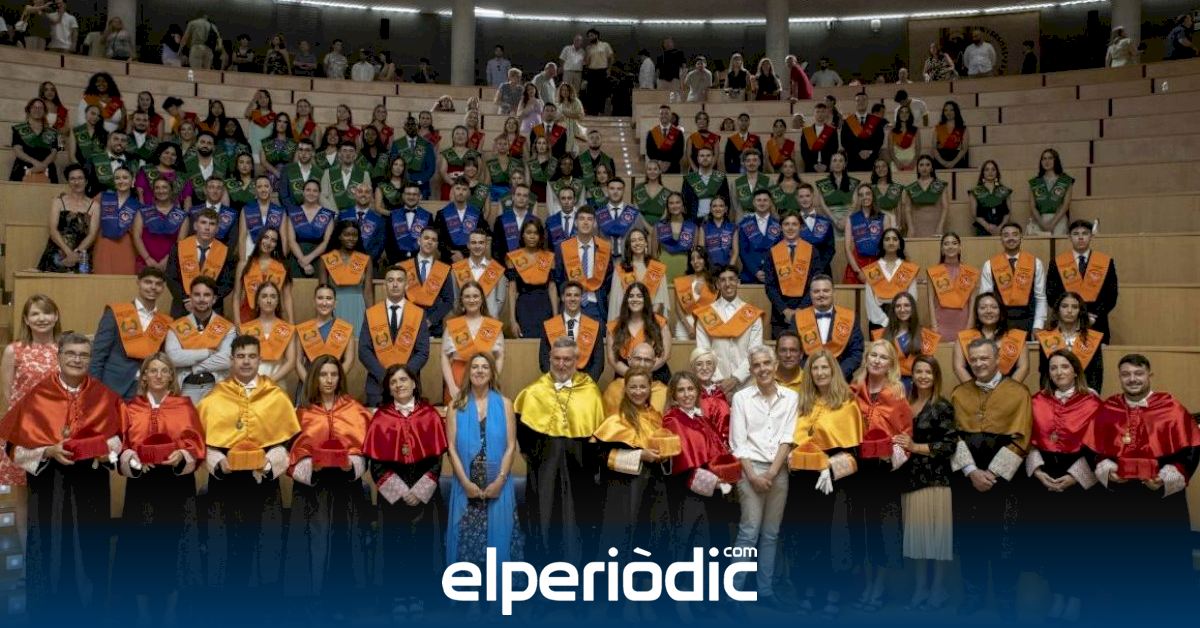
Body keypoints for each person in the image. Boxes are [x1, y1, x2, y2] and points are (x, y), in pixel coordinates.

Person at [0, 332, 121, 619]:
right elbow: (14, 449)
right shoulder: (38, 396)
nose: (77, 359)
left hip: (91, 486)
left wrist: (107, 453)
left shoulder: (104, 396)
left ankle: (91, 616)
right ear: (59, 357)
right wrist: (48, 450)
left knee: (91, 551)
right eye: (71, 354)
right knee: (50, 554)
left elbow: (119, 440)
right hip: (49, 487)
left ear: (90, 359)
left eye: (83, 355)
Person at [1083, 354, 1200, 612]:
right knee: (1122, 564)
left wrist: (1167, 478)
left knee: (1164, 564)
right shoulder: (1108, 408)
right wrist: (1107, 471)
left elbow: (1191, 449)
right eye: (1126, 374)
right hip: (1120, 501)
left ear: (1149, 375)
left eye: (1138, 373)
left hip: (1161, 502)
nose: (1132, 379)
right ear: (1119, 377)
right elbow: (1091, 449)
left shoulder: (1171, 407)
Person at [196, 335, 298, 608]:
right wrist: (219, 462)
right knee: (225, 548)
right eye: (240, 356)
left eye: (252, 356)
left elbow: (287, 441)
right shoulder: (215, 396)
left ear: (259, 359)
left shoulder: (275, 395)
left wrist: (268, 465)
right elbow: (202, 442)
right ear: (231, 360)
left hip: (263, 482)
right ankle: (228, 609)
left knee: (267, 546)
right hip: (226, 483)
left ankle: (265, 611)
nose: (246, 361)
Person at [112, 353, 204, 625]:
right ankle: (142, 614)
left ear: (172, 376)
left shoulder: (184, 406)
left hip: (176, 486)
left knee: (174, 547)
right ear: (144, 376)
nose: (159, 376)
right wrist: (133, 460)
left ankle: (171, 613)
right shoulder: (130, 408)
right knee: (141, 549)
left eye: (164, 371)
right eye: (153, 370)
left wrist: (182, 454)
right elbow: (120, 446)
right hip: (143, 487)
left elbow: (197, 442)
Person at [949, 337, 1032, 616]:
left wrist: (992, 474)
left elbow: (1022, 438)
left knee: (1005, 542)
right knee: (970, 539)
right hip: (968, 478)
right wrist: (972, 472)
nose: (979, 364)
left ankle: (1006, 599)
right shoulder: (959, 393)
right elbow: (952, 437)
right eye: (973, 359)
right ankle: (973, 595)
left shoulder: (1018, 392)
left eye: (984, 358)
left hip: (1004, 481)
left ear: (997, 359)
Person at [283, 355, 372, 610]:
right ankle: (310, 603)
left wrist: (351, 464)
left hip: (346, 487)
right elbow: (290, 453)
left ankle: (343, 602)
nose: (329, 380)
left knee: (344, 543)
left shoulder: (355, 410)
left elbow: (366, 449)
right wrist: (310, 466)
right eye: (323, 375)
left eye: (334, 374)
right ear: (314, 378)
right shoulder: (302, 413)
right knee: (312, 545)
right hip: (312, 489)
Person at [783, 348, 861, 618]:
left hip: (831, 482)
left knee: (834, 539)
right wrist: (792, 455)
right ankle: (809, 589)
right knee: (806, 536)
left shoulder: (847, 404)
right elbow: (794, 439)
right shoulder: (803, 403)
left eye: (824, 367)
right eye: (815, 368)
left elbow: (854, 454)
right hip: (803, 479)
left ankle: (833, 592)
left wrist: (830, 467)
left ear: (833, 371)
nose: (819, 373)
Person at [514, 336, 606, 565]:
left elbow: (597, 439)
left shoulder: (590, 391)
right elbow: (523, 438)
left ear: (577, 360)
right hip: (543, 472)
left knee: (579, 524)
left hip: (580, 472)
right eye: (557, 359)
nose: (562, 364)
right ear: (550, 359)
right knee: (542, 521)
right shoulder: (534, 392)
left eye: (567, 359)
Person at [1024, 349, 1099, 622]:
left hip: (1077, 480)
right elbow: (1027, 439)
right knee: (1051, 543)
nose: (1058, 372)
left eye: (1064, 366)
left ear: (1076, 370)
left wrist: (1074, 476)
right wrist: (1038, 471)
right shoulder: (1037, 401)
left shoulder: (1092, 402)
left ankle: (1075, 598)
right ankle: (1057, 595)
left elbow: (1099, 446)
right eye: (1053, 367)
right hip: (1046, 477)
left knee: (1076, 545)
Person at [729, 346, 798, 608]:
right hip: (750, 470)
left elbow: (787, 438)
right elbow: (738, 442)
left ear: (775, 364)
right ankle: (733, 594)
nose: (762, 369)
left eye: (767, 363)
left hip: (777, 470)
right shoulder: (741, 398)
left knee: (771, 534)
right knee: (749, 532)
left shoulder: (790, 397)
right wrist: (754, 476)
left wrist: (771, 473)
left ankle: (765, 591)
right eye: (756, 365)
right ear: (750, 370)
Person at [848, 340, 913, 611]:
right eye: (873, 355)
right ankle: (866, 582)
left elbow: (906, 434)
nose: (876, 360)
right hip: (858, 469)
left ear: (891, 364)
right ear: (866, 359)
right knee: (861, 528)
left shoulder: (897, 394)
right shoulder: (854, 390)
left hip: (884, 471)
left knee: (882, 529)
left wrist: (892, 453)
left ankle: (879, 586)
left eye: (883, 357)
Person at [446, 352, 523, 574]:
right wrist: (465, 484)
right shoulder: (455, 406)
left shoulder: (505, 404)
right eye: (475, 367)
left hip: (498, 487)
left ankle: (498, 592)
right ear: (468, 373)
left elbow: (511, 446)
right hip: (467, 488)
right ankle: (468, 594)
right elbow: (451, 448)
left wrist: (499, 481)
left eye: (484, 367)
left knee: (499, 547)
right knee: (467, 550)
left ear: (491, 373)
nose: (479, 371)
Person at [894, 355, 956, 611]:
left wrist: (915, 447)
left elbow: (949, 445)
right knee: (917, 540)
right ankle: (921, 588)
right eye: (918, 371)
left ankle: (938, 589)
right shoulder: (905, 404)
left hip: (935, 480)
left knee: (937, 540)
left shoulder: (942, 406)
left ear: (936, 376)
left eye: (928, 372)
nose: (922, 376)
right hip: (909, 479)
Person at [0, 294, 62, 547]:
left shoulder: (64, 350)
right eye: (35, 313)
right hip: (22, 432)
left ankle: (52, 553)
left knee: (54, 492)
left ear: (55, 317)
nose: (41, 318)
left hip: (56, 432)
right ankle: (28, 554)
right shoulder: (13, 350)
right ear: (26, 319)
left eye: (46, 312)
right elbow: (8, 394)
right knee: (23, 494)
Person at [661, 371, 738, 557]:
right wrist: (715, 482)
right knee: (696, 547)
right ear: (673, 395)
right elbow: (682, 465)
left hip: (714, 490)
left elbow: (717, 450)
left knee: (718, 544)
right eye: (681, 390)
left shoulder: (701, 418)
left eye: (690, 389)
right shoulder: (672, 420)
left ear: (697, 392)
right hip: (690, 493)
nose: (687, 394)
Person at [89, 268, 172, 400]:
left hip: (146, 389)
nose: (153, 287)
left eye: (158, 284)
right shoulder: (117, 312)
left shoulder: (164, 322)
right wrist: (93, 388)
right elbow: (98, 354)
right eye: (148, 282)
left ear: (163, 288)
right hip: (112, 385)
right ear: (138, 282)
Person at [359, 264, 431, 407]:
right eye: (390, 280)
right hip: (377, 386)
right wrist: (385, 377)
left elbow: (422, 352)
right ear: (384, 285)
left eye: (399, 280)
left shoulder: (418, 314)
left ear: (406, 285)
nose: (395, 284)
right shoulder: (371, 313)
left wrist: (403, 377)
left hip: (408, 386)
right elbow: (364, 350)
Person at [695, 265, 765, 393]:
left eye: (732, 279)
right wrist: (720, 382)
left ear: (738, 282)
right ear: (717, 284)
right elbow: (703, 353)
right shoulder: (706, 315)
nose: (728, 284)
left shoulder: (753, 315)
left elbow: (755, 353)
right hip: (715, 385)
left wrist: (736, 379)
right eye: (723, 280)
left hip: (746, 384)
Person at [165, 276, 236, 403]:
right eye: (197, 295)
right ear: (190, 298)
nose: (202, 299)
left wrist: (195, 367)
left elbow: (226, 359)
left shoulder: (228, 327)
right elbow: (173, 358)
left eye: (207, 295)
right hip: (186, 388)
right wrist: (207, 352)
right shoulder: (176, 326)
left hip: (216, 387)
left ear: (214, 299)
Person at [1046, 219, 1118, 340]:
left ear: (1091, 236)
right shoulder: (1057, 262)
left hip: (1097, 323)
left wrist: (1093, 316)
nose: (1080, 237)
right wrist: (1070, 314)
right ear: (1069, 237)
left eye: (1085, 233)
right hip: (1066, 323)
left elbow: (1111, 295)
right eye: (1076, 234)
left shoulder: (1105, 261)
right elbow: (1051, 294)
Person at [441, 280, 505, 403]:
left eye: (475, 296)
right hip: (457, 377)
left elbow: (500, 356)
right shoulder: (453, 325)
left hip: (485, 376)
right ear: (461, 300)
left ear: (482, 299)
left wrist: (493, 380)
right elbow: (444, 357)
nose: (471, 300)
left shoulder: (492, 325)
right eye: (467, 296)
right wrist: (451, 386)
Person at [164, 208, 235, 318]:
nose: (207, 228)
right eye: (203, 222)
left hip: (213, 308)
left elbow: (228, 283)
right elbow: (171, 277)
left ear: (217, 229)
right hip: (184, 307)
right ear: (195, 226)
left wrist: (209, 300)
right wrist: (186, 299)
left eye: (212, 224)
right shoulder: (179, 247)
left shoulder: (226, 252)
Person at [604, 294, 671, 411]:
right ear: (626, 300)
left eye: (640, 296)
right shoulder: (615, 324)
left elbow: (665, 354)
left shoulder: (659, 322)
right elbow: (612, 358)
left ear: (646, 300)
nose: (635, 299)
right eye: (631, 296)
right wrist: (634, 375)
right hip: (625, 373)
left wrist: (645, 372)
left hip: (656, 373)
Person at [979, 222, 1047, 333]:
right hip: (999, 322)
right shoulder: (989, 264)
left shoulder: (1035, 263)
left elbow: (1040, 297)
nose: (1011, 238)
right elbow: (985, 298)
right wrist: (989, 325)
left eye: (1015, 234)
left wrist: (1038, 325)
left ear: (1021, 237)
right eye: (1006, 235)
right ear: (1001, 239)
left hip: (1028, 321)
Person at [794, 274, 864, 380]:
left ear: (833, 292)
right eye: (816, 291)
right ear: (810, 294)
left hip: (841, 379)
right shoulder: (798, 318)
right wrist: (812, 374)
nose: (821, 294)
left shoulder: (850, 317)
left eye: (826, 291)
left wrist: (837, 375)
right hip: (808, 380)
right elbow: (794, 352)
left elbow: (856, 353)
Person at [1036, 292, 1104, 392]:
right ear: (1058, 310)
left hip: (1084, 393)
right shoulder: (1046, 337)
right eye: (1064, 306)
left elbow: (1096, 373)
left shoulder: (1092, 338)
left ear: (1080, 311)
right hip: (1055, 393)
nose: (1069, 311)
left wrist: (1090, 396)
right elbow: (1044, 372)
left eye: (1074, 307)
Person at [36, 166, 96, 274]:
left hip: (81, 257)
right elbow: (53, 230)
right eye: (72, 179)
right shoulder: (58, 201)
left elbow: (92, 234)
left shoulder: (95, 205)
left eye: (80, 178)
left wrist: (76, 253)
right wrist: (68, 253)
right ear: (68, 182)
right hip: (57, 253)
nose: (76, 182)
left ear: (86, 181)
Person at [764, 213, 816, 339]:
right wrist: (785, 310)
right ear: (781, 227)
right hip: (780, 315)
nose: (790, 228)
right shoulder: (772, 252)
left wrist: (800, 309)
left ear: (801, 227)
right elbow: (770, 286)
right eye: (786, 224)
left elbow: (815, 284)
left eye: (794, 224)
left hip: (806, 311)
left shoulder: (812, 251)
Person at [862, 228, 919, 330]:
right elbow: (869, 301)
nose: (891, 242)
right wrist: (884, 321)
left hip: (903, 317)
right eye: (887, 239)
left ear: (900, 244)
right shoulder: (872, 269)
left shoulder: (909, 269)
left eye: (895, 239)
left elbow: (912, 297)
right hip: (878, 321)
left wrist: (902, 317)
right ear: (882, 244)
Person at [232, 226, 291, 325]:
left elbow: (287, 297)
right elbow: (236, 296)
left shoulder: (282, 267)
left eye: (273, 240)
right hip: (247, 315)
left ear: (276, 245)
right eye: (266, 237)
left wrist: (291, 322)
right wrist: (237, 321)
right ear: (259, 239)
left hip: (272, 315)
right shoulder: (243, 265)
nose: (268, 243)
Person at [927, 232, 980, 339]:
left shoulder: (970, 272)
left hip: (963, 323)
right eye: (946, 244)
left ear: (960, 248)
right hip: (940, 323)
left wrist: (970, 325)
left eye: (954, 243)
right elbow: (930, 300)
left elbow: (972, 301)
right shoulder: (933, 271)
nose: (950, 246)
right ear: (942, 249)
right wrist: (934, 325)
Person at [843, 184, 894, 285]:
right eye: (861, 195)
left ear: (872, 196)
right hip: (857, 265)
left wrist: (881, 267)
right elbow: (847, 248)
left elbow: (888, 246)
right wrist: (858, 272)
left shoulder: (884, 218)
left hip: (879, 264)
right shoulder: (851, 219)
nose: (865, 197)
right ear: (858, 198)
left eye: (868, 194)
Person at [736, 190, 782, 285]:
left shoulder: (778, 225)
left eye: (765, 200)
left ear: (770, 203)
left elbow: (780, 251)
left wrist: (769, 271)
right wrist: (755, 271)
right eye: (759, 200)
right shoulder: (744, 224)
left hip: (773, 275)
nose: (762, 203)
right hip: (749, 275)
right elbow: (743, 251)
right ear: (753, 202)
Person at [11, 97, 60, 183]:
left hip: (47, 167)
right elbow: (18, 150)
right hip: (24, 167)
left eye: (40, 108)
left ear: (45, 111)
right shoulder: (19, 129)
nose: (37, 110)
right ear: (29, 110)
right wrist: (36, 163)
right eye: (34, 107)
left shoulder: (52, 132)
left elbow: (54, 152)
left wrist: (43, 165)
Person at [1028, 148, 1075, 235]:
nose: (1047, 161)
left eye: (1050, 158)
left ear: (1056, 160)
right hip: (1039, 220)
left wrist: (1052, 223)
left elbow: (1065, 205)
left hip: (1059, 219)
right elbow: (1033, 207)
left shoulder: (1066, 180)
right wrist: (1042, 224)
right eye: (1044, 158)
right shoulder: (1034, 182)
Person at [841, 91, 887, 172]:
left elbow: (879, 140)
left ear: (867, 102)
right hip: (853, 161)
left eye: (864, 100)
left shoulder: (875, 120)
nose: (861, 102)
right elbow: (844, 141)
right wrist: (858, 152)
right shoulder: (848, 121)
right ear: (855, 103)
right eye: (858, 100)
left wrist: (869, 151)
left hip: (872, 161)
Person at [969, 160, 1010, 236]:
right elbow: (975, 214)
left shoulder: (1005, 191)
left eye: (993, 169)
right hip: (982, 230)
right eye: (987, 169)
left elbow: (1007, 213)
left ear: (997, 172)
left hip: (1002, 230)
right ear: (983, 173)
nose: (990, 172)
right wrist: (987, 226)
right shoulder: (974, 192)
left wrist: (1000, 227)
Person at [581, 28, 614, 115]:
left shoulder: (605, 45)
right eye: (589, 36)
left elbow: (611, 58)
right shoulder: (588, 48)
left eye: (591, 35)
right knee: (591, 92)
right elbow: (586, 62)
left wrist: (609, 69)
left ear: (596, 35)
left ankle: (600, 111)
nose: (590, 37)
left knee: (601, 92)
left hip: (602, 70)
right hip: (592, 71)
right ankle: (592, 112)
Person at [644, 105, 684, 174]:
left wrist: (668, 163)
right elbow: (650, 152)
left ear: (670, 116)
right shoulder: (652, 133)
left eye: (666, 113)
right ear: (659, 116)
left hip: (673, 168)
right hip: (656, 169)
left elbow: (679, 152)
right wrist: (659, 162)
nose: (664, 116)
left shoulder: (678, 133)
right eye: (661, 113)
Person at [700, 195, 737, 269]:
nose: (718, 209)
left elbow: (735, 252)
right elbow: (701, 252)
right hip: (709, 269)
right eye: (714, 206)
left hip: (728, 269)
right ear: (710, 209)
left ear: (726, 209)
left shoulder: (733, 227)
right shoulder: (703, 227)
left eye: (721, 206)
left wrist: (729, 270)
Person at [933, 101, 969, 170]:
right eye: (946, 110)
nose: (948, 112)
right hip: (940, 160)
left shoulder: (963, 128)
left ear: (956, 111)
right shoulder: (938, 128)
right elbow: (934, 148)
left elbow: (964, 149)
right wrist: (943, 162)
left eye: (951, 110)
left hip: (957, 160)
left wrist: (953, 163)